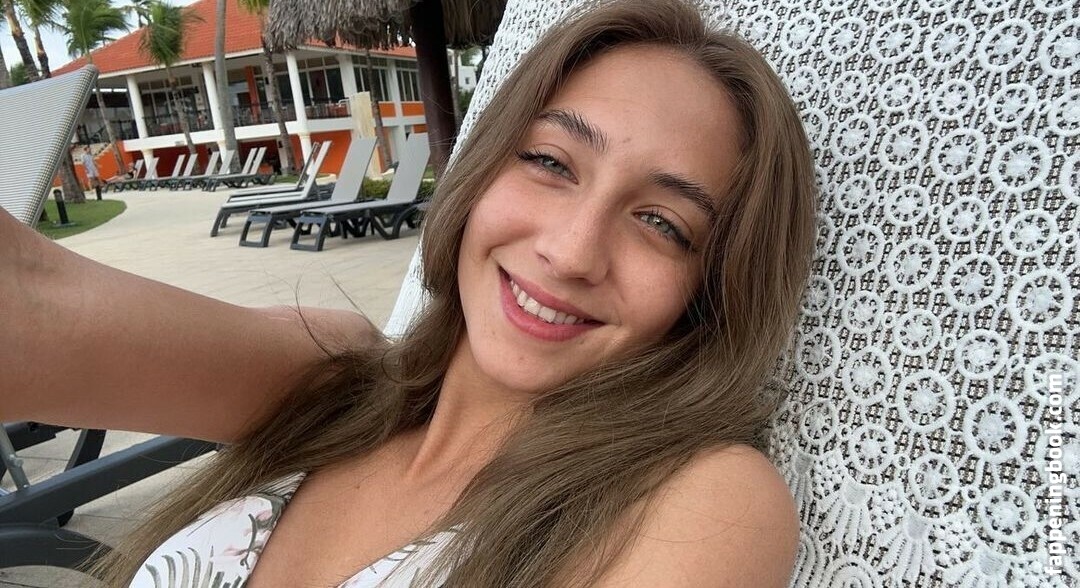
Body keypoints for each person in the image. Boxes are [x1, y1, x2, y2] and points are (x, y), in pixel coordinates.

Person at [0, 0, 817, 585]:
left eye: (662, 223)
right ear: (484, 167)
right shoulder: (327, 376)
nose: (571, 253)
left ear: (709, 291)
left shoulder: (700, 500)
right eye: (550, 162)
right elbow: (32, 302)